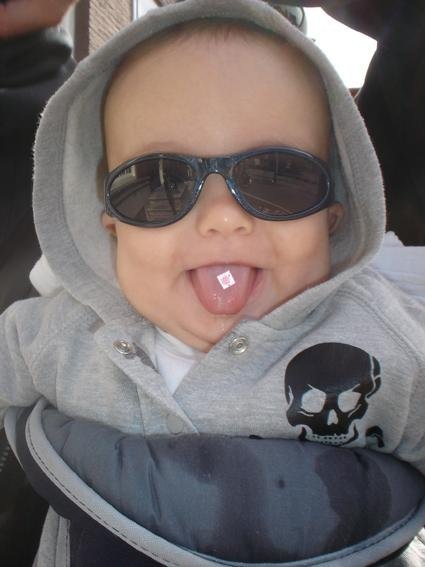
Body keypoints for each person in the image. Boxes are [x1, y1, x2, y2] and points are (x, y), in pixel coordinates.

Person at [1, 0, 425, 565]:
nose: (222, 217)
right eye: (159, 183)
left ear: (332, 218)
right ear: (112, 227)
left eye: (278, 176)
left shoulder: (389, 341)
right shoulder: (62, 334)